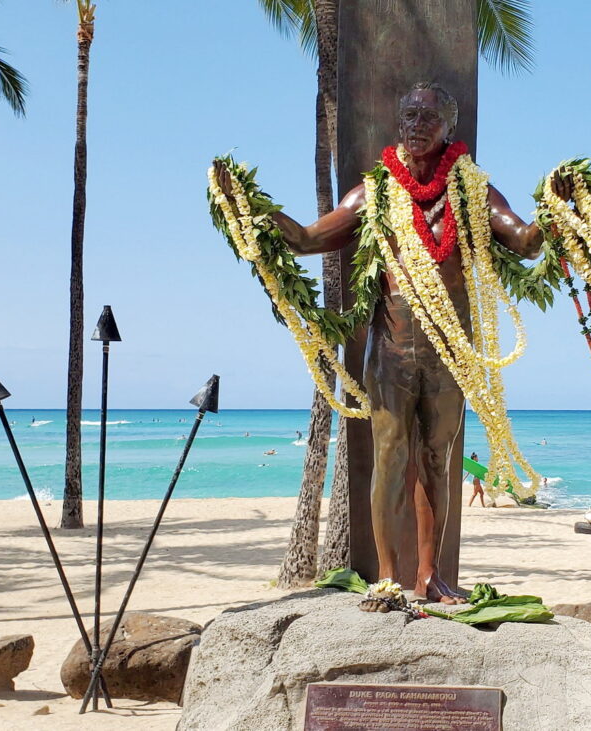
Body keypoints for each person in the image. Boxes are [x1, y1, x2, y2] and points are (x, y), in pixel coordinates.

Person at [233, 82, 572, 603]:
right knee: (390, 458)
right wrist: (250, 207)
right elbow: (305, 239)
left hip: (450, 350)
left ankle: (429, 576)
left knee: (438, 459)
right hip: (390, 348)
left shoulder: (473, 191)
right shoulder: (375, 193)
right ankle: (388, 577)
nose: (416, 123)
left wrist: (556, 209)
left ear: (449, 128)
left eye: (428, 116)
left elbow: (525, 242)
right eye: (408, 114)